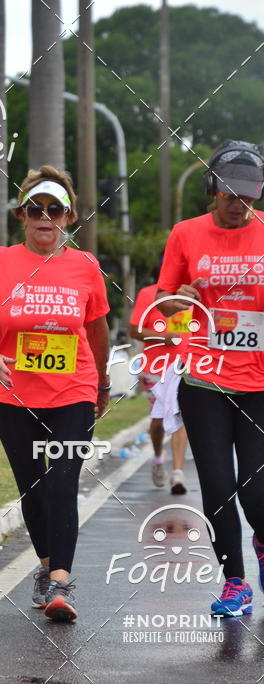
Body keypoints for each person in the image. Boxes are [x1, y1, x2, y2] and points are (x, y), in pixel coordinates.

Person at [0, 166, 110, 622]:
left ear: (68, 216)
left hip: (73, 390)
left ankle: (62, 582)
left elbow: (97, 329)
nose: (45, 217)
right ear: (21, 215)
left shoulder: (85, 266)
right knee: (33, 486)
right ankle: (46, 567)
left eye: (55, 209)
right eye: (35, 209)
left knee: (63, 482)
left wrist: (102, 383)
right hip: (15, 395)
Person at [156, 140, 264, 617]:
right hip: (203, 380)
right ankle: (235, 582)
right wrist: (179, 308)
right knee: (218, 486)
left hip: (259, 383)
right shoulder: (186, 234)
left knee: (256, 489)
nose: (238, 205)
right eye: (228, 195)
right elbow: (164, 306)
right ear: (211, 189)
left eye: (248, 197)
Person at [129, 282, 189, 493]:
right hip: (156, 368)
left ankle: (178, 474)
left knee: (180, 415)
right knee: (159, 421)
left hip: (185, 366)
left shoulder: (192, 293)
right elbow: (134, 330)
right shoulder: (148, 293)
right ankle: (157, 457)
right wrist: (162, 338)